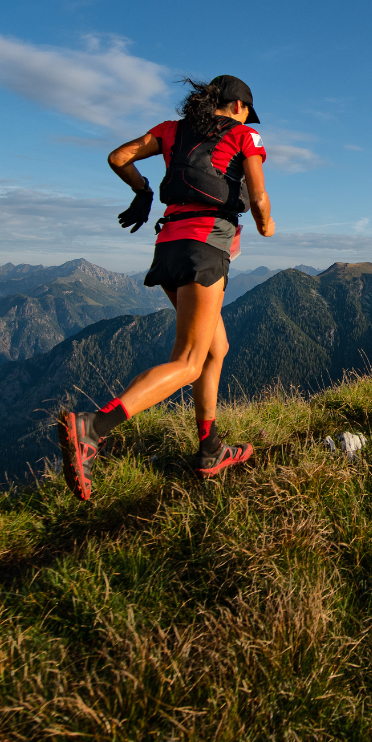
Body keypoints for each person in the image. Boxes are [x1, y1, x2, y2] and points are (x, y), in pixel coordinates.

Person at [56, 75, 275, 501]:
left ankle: (210, 449)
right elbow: (259, 196)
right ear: (237, 106)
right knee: (190, 361)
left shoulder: (170, 130)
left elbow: (118, 156)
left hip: (168, 247)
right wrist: (265, 225)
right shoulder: (246, 135)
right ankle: (92, 429)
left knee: (216, 348)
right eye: (247, 110)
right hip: (205, 248)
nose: (247, 116)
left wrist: (142, 190)